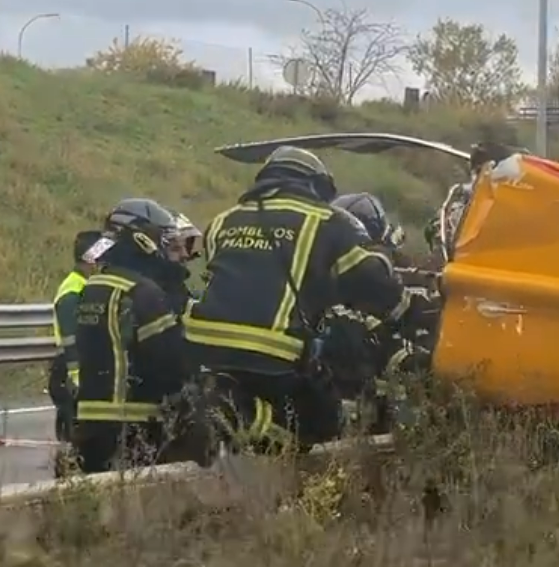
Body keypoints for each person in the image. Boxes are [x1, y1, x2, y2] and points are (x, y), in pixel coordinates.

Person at [185, 146, 427, 451]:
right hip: (271, 349)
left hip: (202, 344)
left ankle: (228, 412)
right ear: (316, 185)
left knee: (263, 399)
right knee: (320, 423)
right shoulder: (326, 221)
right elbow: (372, 282)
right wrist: (383, 256)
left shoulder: (221, 221)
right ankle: (237, 417)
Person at [69, 198, 207, 473]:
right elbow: (171, 365)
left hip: (90, 426)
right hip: (135, 429)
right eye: (167, 241)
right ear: (144, 240)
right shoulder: (143, 293)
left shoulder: (94, 286)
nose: (173, 251)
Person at [48, 229, 104, 444]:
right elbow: (71, 337)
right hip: (70, 371)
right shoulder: (74, 291)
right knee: (74, 437)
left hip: (76, 368)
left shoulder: (86, 285)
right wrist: (78, 377)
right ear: (91, 259)